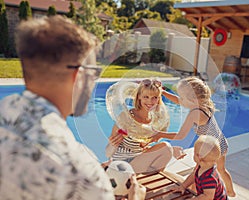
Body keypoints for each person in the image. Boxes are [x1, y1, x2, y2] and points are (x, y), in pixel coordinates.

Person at [0, 16, 145, 199]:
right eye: (94, 73)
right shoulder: (80, 172)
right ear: (79, 77)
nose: (94, 83)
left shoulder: (4, 108)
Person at [153, 76, 236, 197]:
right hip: (219, 142)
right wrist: (163, 92)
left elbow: (181, 135)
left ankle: (196, 192)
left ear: (192, 99)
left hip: (208, 148)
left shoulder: (195, 113)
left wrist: (160, 134)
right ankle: (230, 191)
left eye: (182, 97)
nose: (180, 100)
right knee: (221, 170)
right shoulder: (204, 104)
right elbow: (179, 101)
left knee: (199, 170)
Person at [106, 78, 185, 174]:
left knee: (166, 148)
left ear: (159, 98)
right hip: (122, 164)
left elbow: (181, 135)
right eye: (146, 97)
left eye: (154, 97)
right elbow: (108, 153)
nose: (150, 102)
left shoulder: (154, 121)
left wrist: (161, 135)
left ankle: (144, 179)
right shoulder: (126, 117)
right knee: (167, 148)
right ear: (139, 96)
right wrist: (112, 144)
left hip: (138, 161)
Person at [173, 135, 228, 200]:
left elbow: (208, 197)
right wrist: (183, 186)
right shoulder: (203, 167)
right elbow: (194, 175)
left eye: (194, 152)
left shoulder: (209, 178)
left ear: (198, 156)